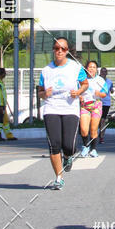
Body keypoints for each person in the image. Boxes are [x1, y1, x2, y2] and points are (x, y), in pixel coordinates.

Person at [38, 38, 88, 189]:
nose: (59, 51)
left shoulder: (75, 67)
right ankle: (59, 178)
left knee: (68, 146)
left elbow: (85, 84)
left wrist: (78, 92)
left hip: (70, 109)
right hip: (51, 108)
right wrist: (44, 93)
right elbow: (40, 92)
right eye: (56, 48)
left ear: (67, 51)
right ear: (53, 50)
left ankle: (67, 156)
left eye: (63, 49)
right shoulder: (46, 70)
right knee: (54, 144)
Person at [79, 60, 107, 157]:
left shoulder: (100, 80)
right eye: (90, 67)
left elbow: (105, 93)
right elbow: (76, 91)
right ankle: (85, 146)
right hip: (85, 106)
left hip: (96, 105)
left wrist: (99, 93)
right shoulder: (81, 79)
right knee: (84, 129)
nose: (92, 69)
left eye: (94, 67)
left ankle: (93, 149)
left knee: (93, 129)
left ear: (96, 69)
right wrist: (80, 96)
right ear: (86, 68)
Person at [0, 68, 18, 140]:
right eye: (4, 73)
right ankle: (5, 135)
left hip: (2, 104)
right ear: (2, 74)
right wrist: (1, 105)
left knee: (2, 121)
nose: (5, 75)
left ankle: (1, 135)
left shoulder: (0, 82)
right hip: (0, 105)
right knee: (3, 121)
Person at [98, 67, 113, 143]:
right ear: (100, 73)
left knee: (103, 120)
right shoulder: (96, 80)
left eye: (105, 72)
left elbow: (111, 90)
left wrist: (112, 90)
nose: (103, 73)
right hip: (98, 101)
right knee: (98, 120)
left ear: (107, 73)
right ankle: (97, 132)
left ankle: (101, 137)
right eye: (102, 71)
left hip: (106, 103)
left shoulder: (109, 82)